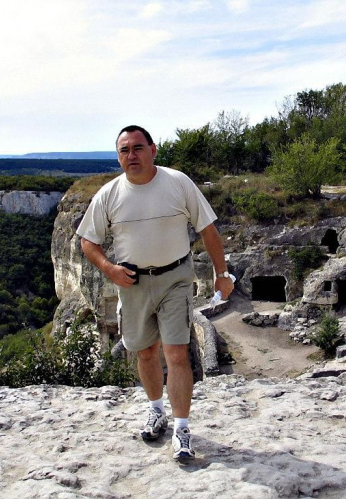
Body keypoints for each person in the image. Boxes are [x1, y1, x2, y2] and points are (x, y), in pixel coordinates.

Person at [77, 125, 234, 461]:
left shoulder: (178, 183)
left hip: (175, 278)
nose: (131, 156)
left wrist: (222, 275)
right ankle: (156, 410)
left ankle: (181, 429)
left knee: (177, 354)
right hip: (131, 283)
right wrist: (110, 269)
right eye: (124, 151)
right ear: (118, 157)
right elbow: (88, 242)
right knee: (145, 353)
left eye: (137, 148)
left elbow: (208, 229)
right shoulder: (109, 194)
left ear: (153, 149)